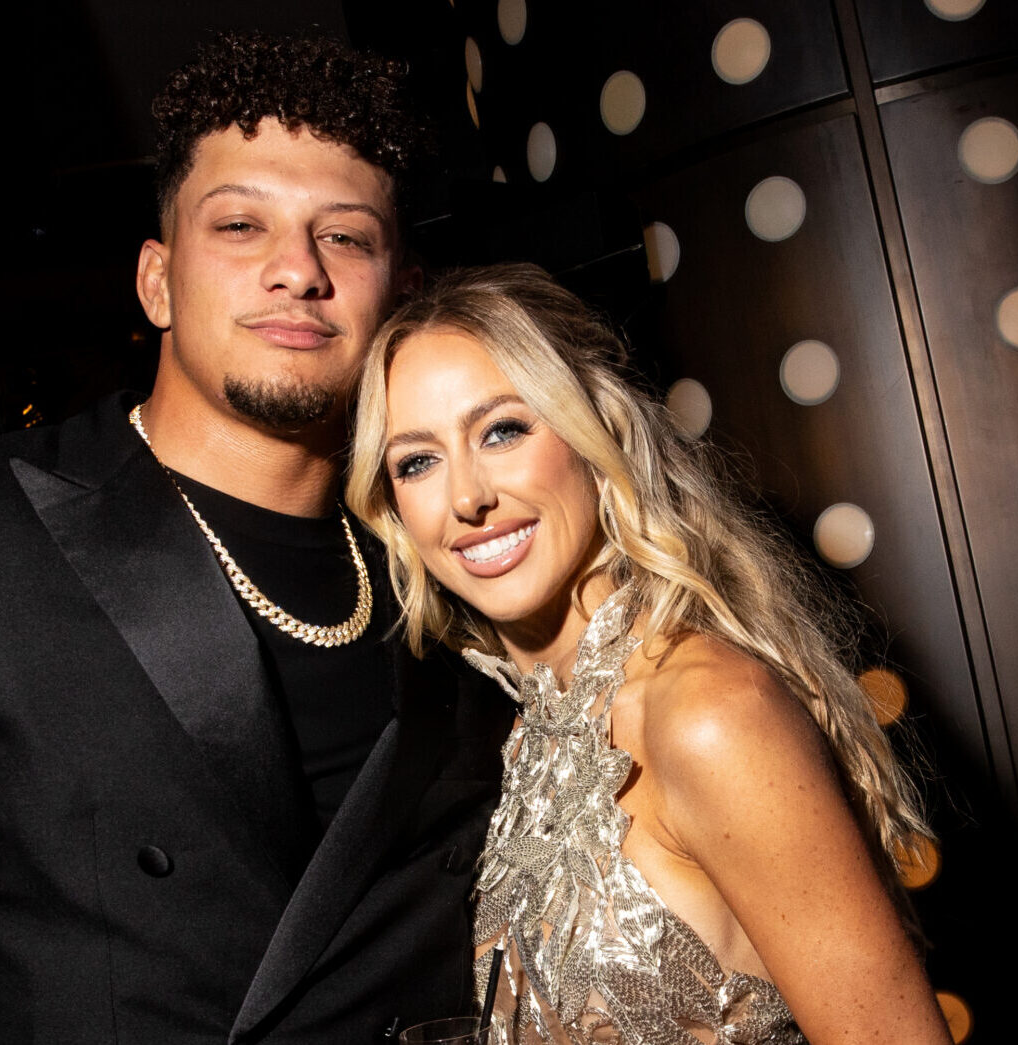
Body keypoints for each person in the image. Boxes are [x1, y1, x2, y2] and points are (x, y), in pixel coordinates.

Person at [0, 32, 510, 1044]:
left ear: (402, 295)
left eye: (346, 238)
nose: (296, 271)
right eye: (239, 225)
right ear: (156, 282)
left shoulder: (462, 556)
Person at [347, 265, 952, 1044]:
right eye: (416, 461)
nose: (465, 497)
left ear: (594, 435)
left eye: (503, 429)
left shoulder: (706, 714)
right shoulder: (529, 731)